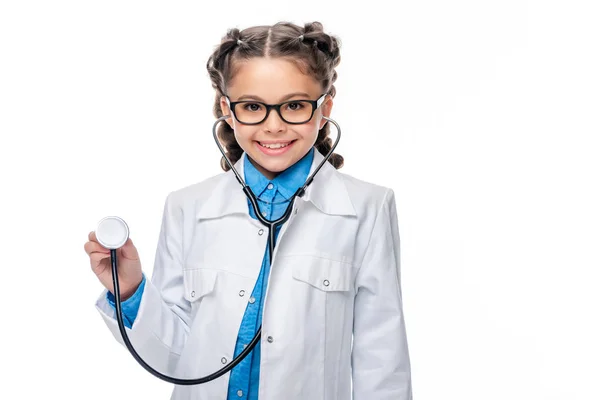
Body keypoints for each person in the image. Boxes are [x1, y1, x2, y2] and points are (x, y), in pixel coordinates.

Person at [84, 21, 412, 400]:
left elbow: (382, 362)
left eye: (294, 105)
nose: (274, 126)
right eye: (253, 106)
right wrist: (129, 290)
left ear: (324, 109)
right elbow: (175, 361)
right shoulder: (187, 208)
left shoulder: (367, 208)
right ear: (227, 110)